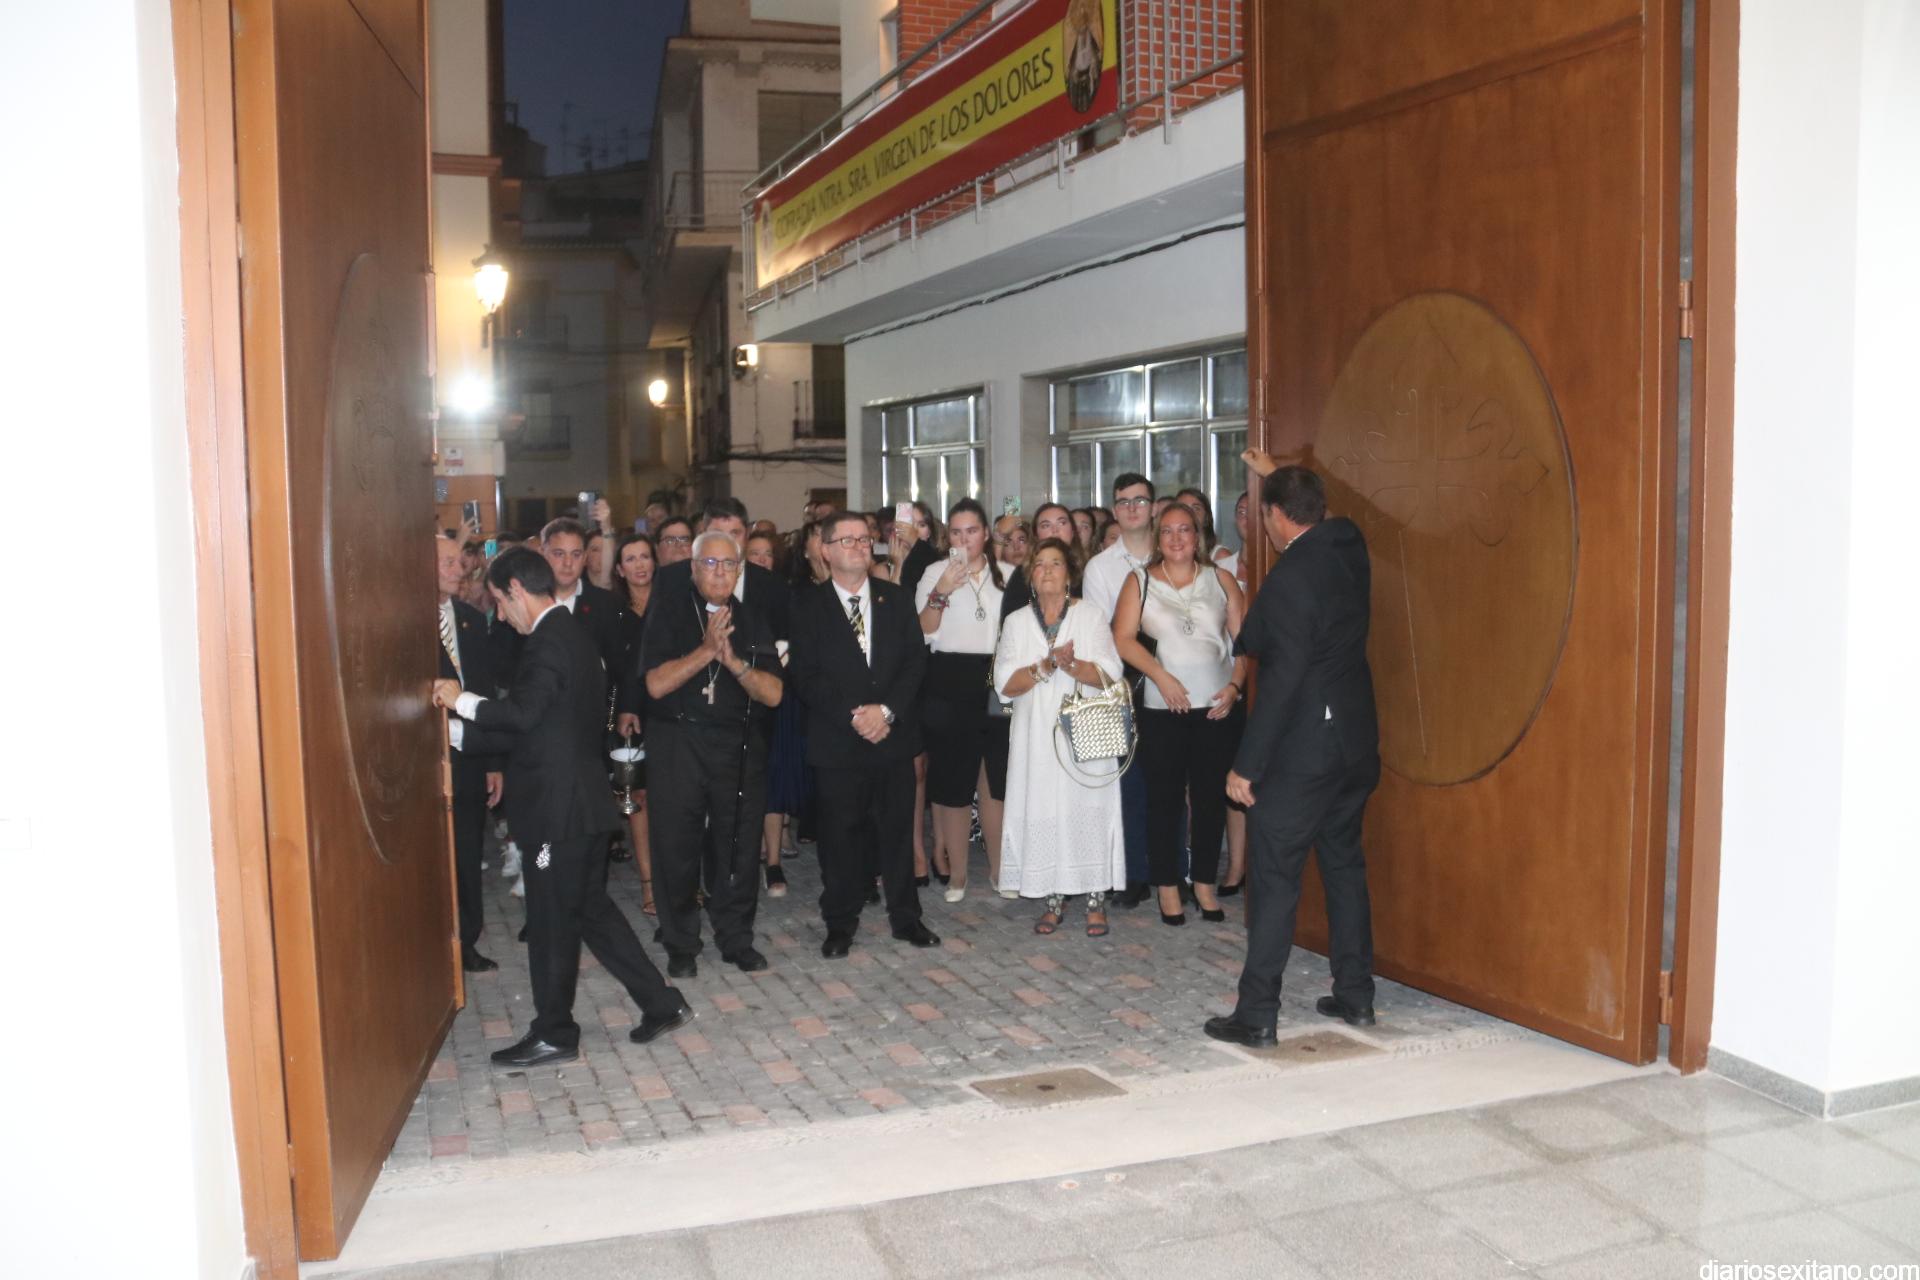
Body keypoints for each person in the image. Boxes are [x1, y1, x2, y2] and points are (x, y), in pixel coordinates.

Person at [433, 547, 692, 1068]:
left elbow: (523, 714)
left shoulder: (550, 641)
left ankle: (554, 1032)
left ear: (516, 590)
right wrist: (457, 733)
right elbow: (543, 728)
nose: (501, 614)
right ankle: (662, 1003)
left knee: (552, 920)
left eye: (500, 602)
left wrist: (459, 700)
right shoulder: (568, 634)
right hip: (579, 804)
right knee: (590, 909)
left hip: (559, 812)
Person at [1205, 467, 1382, 1048]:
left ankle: (1257, 1013)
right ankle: (1356, 994)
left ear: (1277, 516)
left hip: (1306, 752)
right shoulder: (1349, 547)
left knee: (1275, 878)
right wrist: (1277, 473)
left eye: (1266, 514)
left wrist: (1246, 766)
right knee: (1344, 868)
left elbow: (1279, 683)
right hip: (1354, 743)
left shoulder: (1289, 580)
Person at [788, 512, 938, 958]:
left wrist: (886, 712)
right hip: (838, 741)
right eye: (847, 540)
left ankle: (906, 918)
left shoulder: (896, 599)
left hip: (892, 737)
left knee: (898, 832)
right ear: (825, 550)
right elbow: (805, 675)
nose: (858, 546)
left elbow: (915, 663)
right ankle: (840, 922)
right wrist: (854, 716)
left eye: (864, 539)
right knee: (839, 838)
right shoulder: (807, 606)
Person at [638, 530, 785, 976]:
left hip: (736, 744)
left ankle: (735, 936)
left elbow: (774, 693)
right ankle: (681, 942)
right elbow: (655, 684)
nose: (720, 572)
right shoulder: (667, 612)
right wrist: (705, 652)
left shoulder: (752, 618)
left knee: (737, 844)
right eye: (710, 563)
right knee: (676, 845)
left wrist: (734, 663)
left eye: (728, 564)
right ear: (693, 568)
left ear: (739, 571)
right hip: (678, 742)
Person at [1112, 504, 1249, 926]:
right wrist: (1161, 676)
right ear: (1158, 537)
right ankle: (1167, 886)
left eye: (1184, 530)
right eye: (1168, 531)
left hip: (1216, 710)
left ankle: (1204, 882)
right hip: (1161, 709)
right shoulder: (1139, 581)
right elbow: (1122, 639)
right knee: (1164, 800)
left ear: (1198, 535)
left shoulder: (1221, 578)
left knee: (1209, 800)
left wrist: (1235, 686)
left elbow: (1244, 644)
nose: (1176, 538)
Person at [995, 538, 1125, 936]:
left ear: (1069, 573)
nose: (1047, 570)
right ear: (1030, 575)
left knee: (1088, 807)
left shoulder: (1090, 615)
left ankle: (1095, 900)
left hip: (1085, 733)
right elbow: (1004, 684)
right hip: (1035, 735)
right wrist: (1046, 666)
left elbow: (1110, 673)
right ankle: (1053, 898)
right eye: (1039, 564)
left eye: (1055, 563)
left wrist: (1071, 665)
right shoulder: (1017, 621)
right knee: (1043, 807)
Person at [914, 498, 1007, 902]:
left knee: (995, 778)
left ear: (985, 534)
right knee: (952, 779)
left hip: (997, 677)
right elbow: (921, 630)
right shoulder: (935, 572)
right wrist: (942, 591)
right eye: (956, 532)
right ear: (947, 537)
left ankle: (1001, 869)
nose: (964, 539)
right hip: (949, 677)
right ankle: (958, 875)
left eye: (972, 531)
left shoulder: (1008, 574)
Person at [1080, 473, 1159, 906]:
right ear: (1114, 510)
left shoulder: (1172, 550)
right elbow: (1102, 632)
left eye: (1140, 500)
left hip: (1173, 673)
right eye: (1124, 502)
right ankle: (1133, 873)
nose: (1132, 508)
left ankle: (1170, 870)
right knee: (1129, 781)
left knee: (1169, 779)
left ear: (1153, 507)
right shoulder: (1100, 566)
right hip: (1122, 680)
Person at [437, 532, 504, 972]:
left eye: (458, 560)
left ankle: (467, 940)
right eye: (446, 561)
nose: (458, 568)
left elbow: (484, 692)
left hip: (470, 757)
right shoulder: (400, 621)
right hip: (429, 757)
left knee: (467, 849)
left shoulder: (470, 619)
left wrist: (493, 761)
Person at [749, 528, 803, 897]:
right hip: (739, 699)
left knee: (774, 778)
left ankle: (772, 862)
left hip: (779, 696)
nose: (761, 560)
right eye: (754, 553)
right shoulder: (730, 594)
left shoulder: (785, 594)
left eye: (767, 554)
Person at [609, 532, 657, 914]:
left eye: (645, 556)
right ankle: (648, 883)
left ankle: (681, 879)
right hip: (627, 717)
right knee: (637, 798)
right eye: (631, 558)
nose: (640, 564)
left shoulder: (672, 604)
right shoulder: (612, 613)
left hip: (670, 712)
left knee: (676, 799)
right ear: (620, 569)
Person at [540, 516, 623, 675]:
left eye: (576, 554)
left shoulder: (606, 604)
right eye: (559, 554)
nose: (568, 563)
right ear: (543, 553)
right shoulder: (528, 601)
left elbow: (617, 667)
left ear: (585, 558)